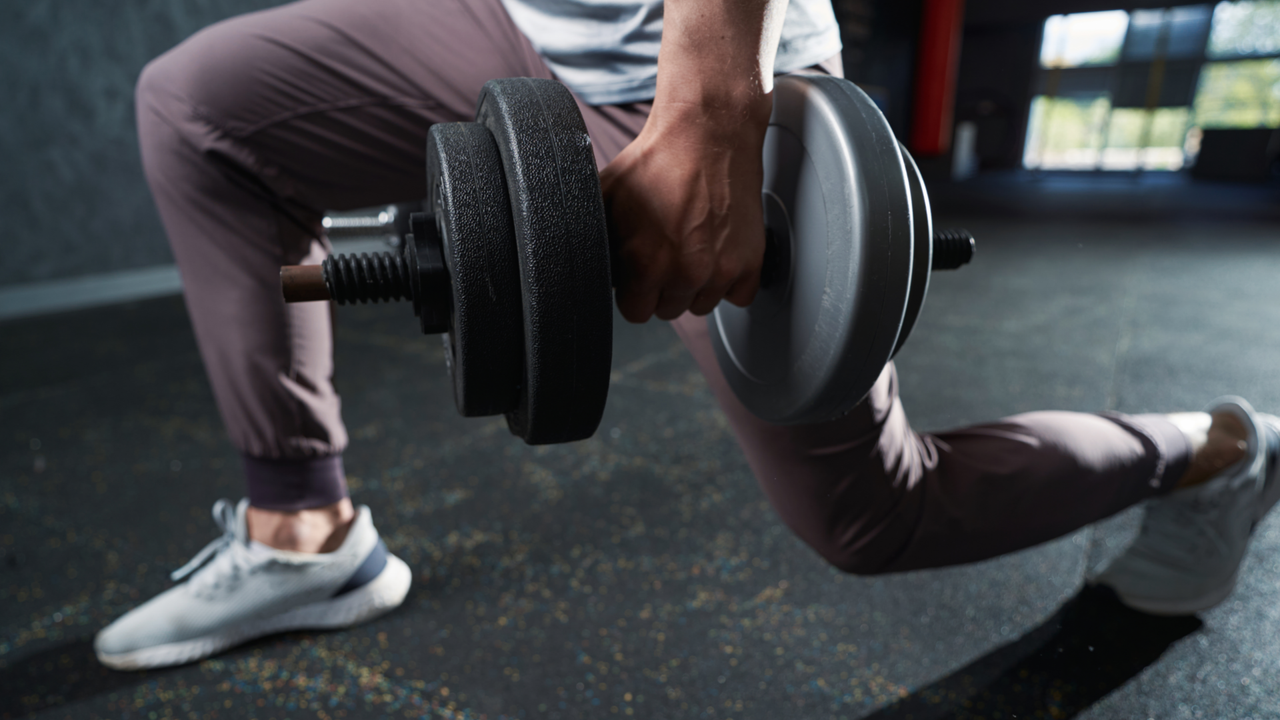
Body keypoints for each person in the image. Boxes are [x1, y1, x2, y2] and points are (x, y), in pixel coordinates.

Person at [95, 0, 1280, 671]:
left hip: (705, 68)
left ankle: (1207, 447)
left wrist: (713, 101)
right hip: (509, 29)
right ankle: (301, 529)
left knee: (872, 517)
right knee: (200, 112)